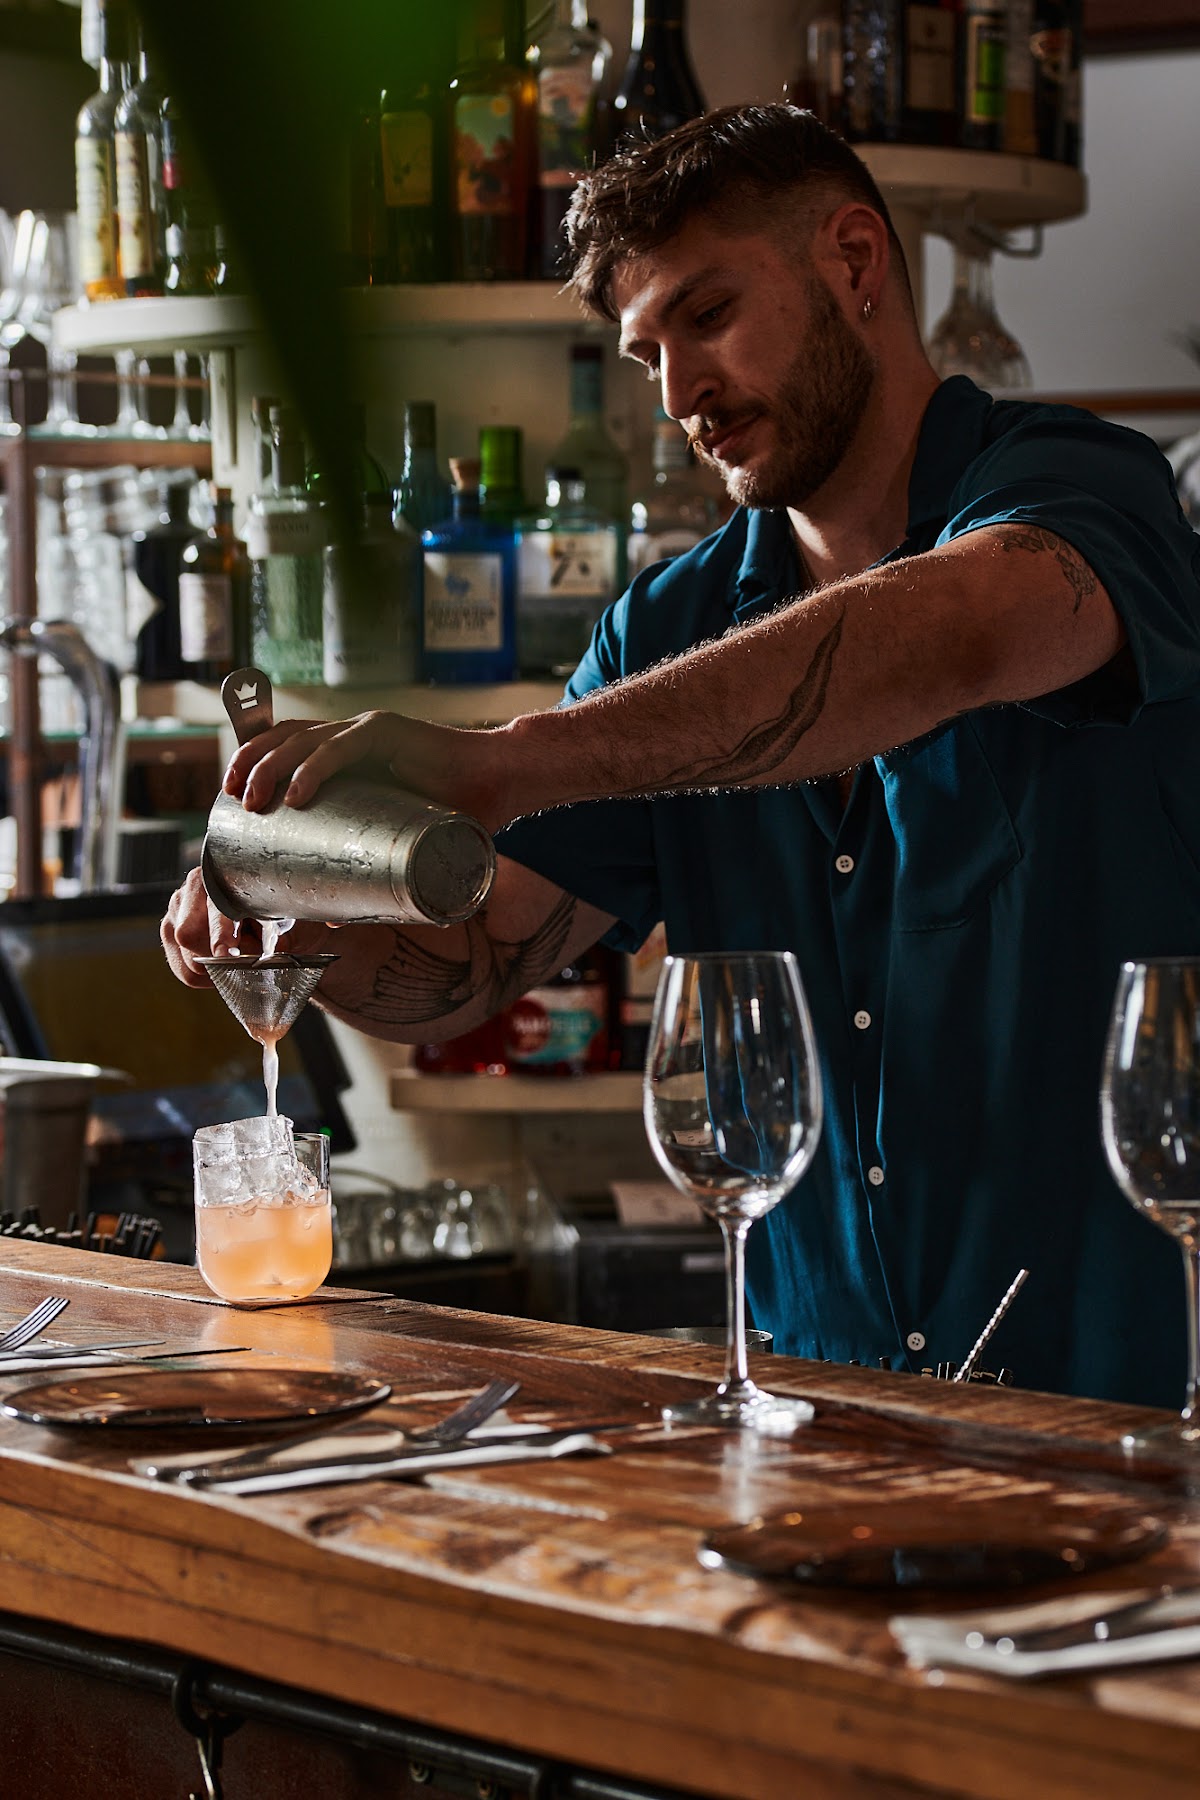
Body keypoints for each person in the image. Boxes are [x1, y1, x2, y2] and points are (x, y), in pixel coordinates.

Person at [163, 104, 1200, 1408]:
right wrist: (303, 922)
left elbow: (955, 635)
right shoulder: (669, 627)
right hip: (825, 1416)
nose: (676, 393)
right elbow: (482, 958)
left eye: (708, 316)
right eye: (644, 352)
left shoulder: (1084, 492)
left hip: (1131, 1403)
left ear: (856, 262)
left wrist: (503, 760)